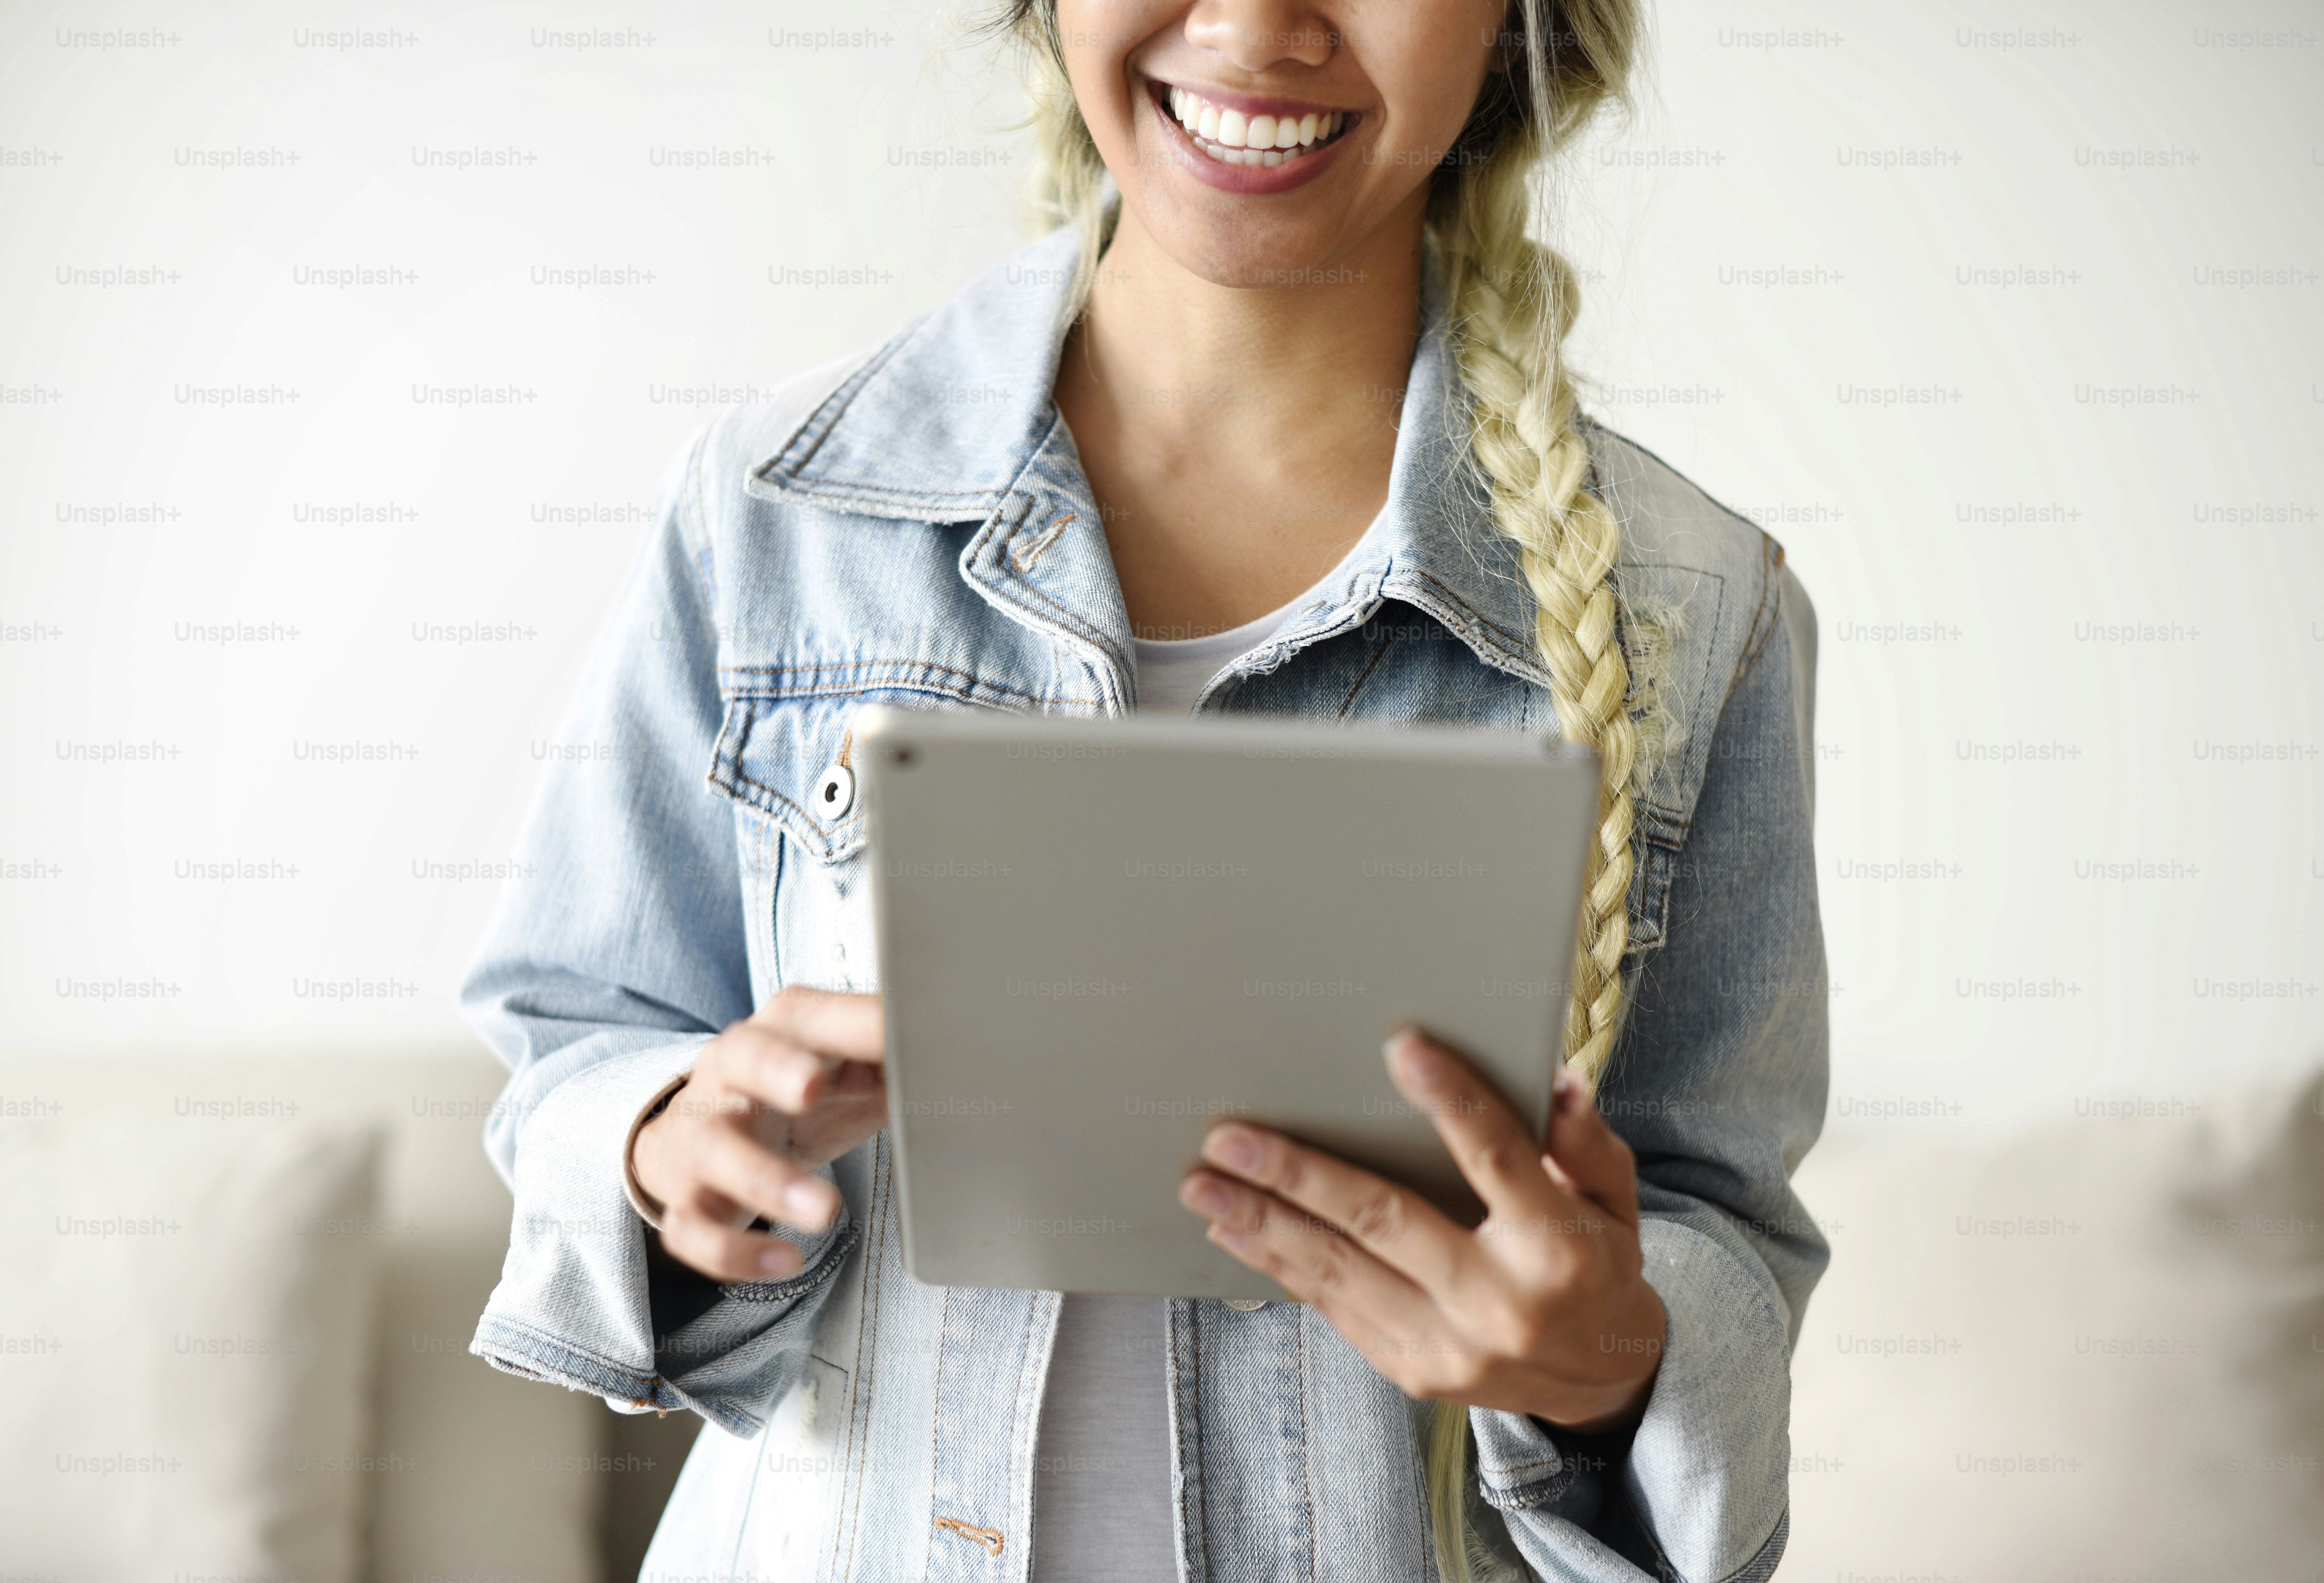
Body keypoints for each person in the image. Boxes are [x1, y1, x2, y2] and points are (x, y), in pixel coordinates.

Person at [460, 2, 1829, 1578]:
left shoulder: (1695, 610)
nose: (1253, 24)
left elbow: (1715, 1234)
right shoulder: (769, 510)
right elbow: (572, 1032)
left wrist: (1601, 1369)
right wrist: (660, 1148)